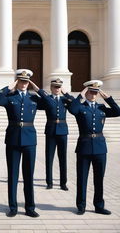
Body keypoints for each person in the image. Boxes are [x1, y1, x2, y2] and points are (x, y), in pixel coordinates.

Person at [0, 69, 42, 218]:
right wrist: (10, 86)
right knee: (13, 174)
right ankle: (13, 207)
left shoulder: (34, 99)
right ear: (17, 82)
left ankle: (30, 207)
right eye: (21, 81)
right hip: (13, 138)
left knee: (28, 175)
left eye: (26, 82)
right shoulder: (10, 98)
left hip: (30, 139)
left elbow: (49, 103)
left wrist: (37, 88)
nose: (24, 84)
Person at [68, 80, 120, 215]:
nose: (93, 94)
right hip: (84, 146)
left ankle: (99, 206)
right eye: (91, 91)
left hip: (100, 147)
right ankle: (81, 206)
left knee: (99, 180)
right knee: (82, 178)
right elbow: (72, 109)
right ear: (87, 92)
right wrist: (82, 93)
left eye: (95, 92)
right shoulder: (81, 107)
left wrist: (106, 97)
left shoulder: (101, 108)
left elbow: (117, 111)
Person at [38, 78, 74, 190]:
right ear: (51, 88)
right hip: (51, 130)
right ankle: (49, 182)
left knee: (63, 157)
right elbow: (41, 100)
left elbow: (75, 102)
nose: (57, 89)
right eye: (55, 87)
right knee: (49, 157)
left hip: (62, 131)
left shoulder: (65, 100)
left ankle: (63, 183)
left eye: (59, 87)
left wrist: (65, 92)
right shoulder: (47, 99)